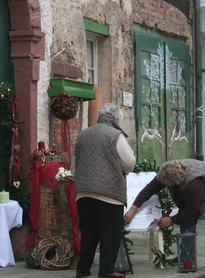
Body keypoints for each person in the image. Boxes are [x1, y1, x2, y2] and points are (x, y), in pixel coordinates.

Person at [123, 159, 205, 278]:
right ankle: (186, 258)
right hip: (201, 190)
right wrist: (133, 209)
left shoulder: (194, 182)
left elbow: (192, 208)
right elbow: (148, 190)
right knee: (186, 223)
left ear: (175, 181)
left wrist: (172, 220)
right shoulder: (165, 173)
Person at [74, 103, 136, 278]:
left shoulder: (84, 134)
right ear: (116, 119)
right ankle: (106, 271)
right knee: (110, 233)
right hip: (109, 192)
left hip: (84, 191)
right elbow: (129, 162)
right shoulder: (115, 135)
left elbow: (78, 157)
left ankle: (83, 269)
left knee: (88, 232)